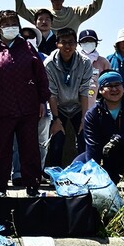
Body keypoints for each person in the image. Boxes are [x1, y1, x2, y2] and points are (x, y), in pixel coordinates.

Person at [0, 11, 51, 197]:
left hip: (28, 107)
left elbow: (41, 76)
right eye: (6, 24)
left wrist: (42, 100)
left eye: (14, 23)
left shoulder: (27, 48)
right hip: (2, 108)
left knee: (30, 148)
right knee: (0, 149)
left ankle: (32, 187)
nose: (10, 27)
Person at [79, 71, 124, 185]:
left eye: (117, 84)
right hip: (107, 155)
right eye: (109, 86)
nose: (114, 89)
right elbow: (93, 145)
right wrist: (93, 173)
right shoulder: (93, 114)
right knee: (78, 164)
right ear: (100, 90)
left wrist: (119, 139)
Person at [43, 28, 96, 167]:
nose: (67, 46)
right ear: (57, 44)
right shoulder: (49, 64)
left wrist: (84, 118)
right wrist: (56, 119)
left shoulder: (85, 62)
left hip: (78, 106)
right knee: (57, 139)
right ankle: (55, 173)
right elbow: (51, 94)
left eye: (71, 42)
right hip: (58, 106)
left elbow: (84, 91)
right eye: (64, 42)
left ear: (76, 44)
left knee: (84, 137)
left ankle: (86, 171)